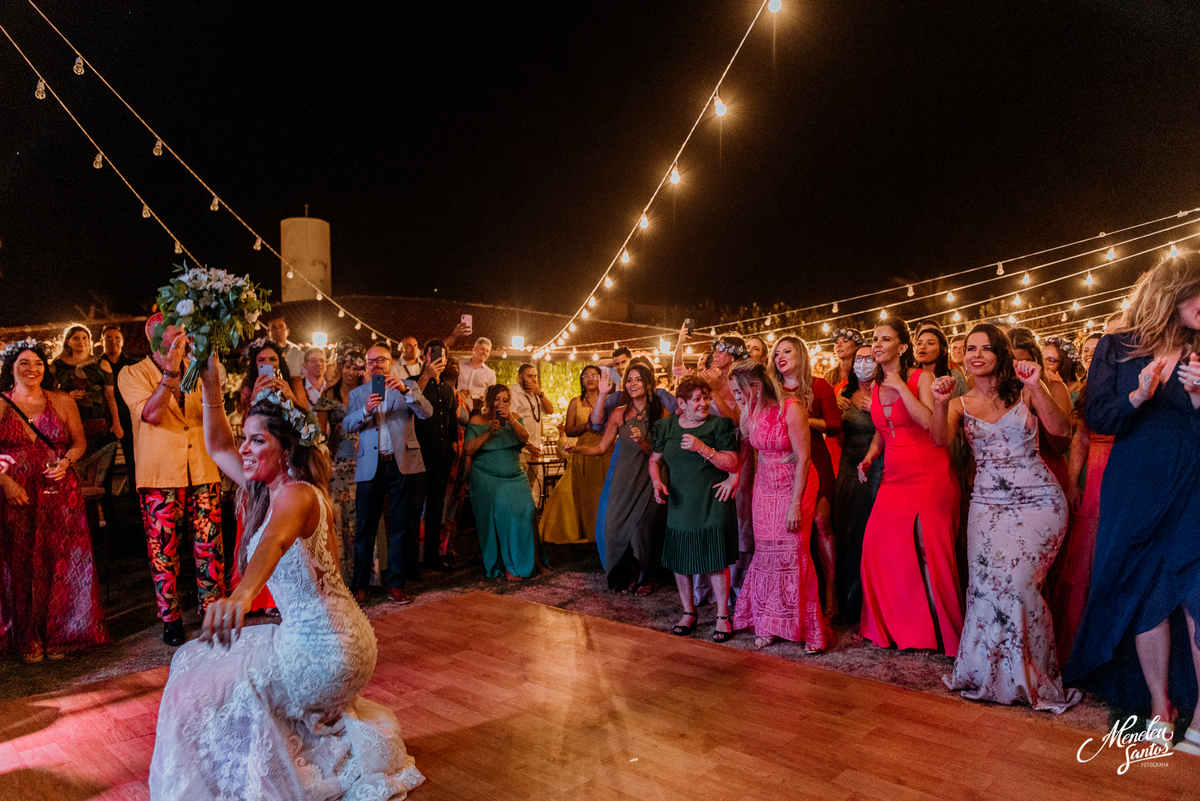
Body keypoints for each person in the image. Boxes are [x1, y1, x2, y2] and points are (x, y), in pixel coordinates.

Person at [148, 358, 425, 799]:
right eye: (247, 438)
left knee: (207, 684)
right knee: (194, 662)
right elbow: (218, 447)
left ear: (287, 447)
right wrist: (213, 387)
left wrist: (240, 596)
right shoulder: (270, 485)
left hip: (327, 650)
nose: (244, 449)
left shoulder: (296, 494)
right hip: (317, 637)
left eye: (257, 440)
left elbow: (273, 543)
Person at [1067, 252, 1200, 755]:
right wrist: (1137, 399)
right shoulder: (1118, 347)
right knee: (1142, 594)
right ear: (1174, 291)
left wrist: (1198, 404)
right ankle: (1159, 707)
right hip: (1136, 483)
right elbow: (1098, 416)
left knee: (1197, 595)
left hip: (1192, 480)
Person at [930, 324, 1081, 712]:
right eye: (970, 349)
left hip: (1039, 502)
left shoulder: (1025, 394)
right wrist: (940, 403)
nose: (975, 355)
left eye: (985, 348)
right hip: (986, 505)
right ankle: (987, 675)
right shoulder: (961, 405)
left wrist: (1037, 386)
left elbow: (1062, 432)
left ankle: (1032, 677)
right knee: (984, 589)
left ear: (1001, 354)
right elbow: (939, 441)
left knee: (1018, 584)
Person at [857, 319, 963, 656]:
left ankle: (937, 631)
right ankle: (897, 625)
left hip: (928, 471)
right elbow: (884, 428)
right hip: (894, 475)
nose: (876, 345)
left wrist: (902, 386)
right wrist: (871, 455)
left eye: (884, 339)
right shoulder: (873, 387)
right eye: (874, 339)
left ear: (902, 347)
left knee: (927, 550)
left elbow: (928, 422)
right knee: (875, 546)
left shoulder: (921, 378)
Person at [119, 314, 226, 646]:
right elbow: (151, 414)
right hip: (159, 473)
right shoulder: (132, 373)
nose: (183, 338)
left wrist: (207, 366)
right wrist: (170, 372)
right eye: (175, 335)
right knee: (163, 550)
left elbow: (216, 404)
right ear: (155, 340)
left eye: (185, 333)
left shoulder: (199, 366)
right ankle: (171, 617)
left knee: (210, 546)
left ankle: (213, 612)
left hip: (202, 466)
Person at [0, 339, 107, 661]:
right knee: (19, 564)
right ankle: (27, 638)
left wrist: (67, 462)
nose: (32, 369)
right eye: (24, 364)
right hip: (16, 492)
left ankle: (62, 633)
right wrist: (4, 482)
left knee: (61, 561)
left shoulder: (60, 400)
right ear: (12, 369)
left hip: (59, 491)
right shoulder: (2, 403)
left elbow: (79, 442)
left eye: (37, 364)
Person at [729, 360, 832, 652]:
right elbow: (747, 452)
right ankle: (767, 623)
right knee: (766, 554)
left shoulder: (792, 408)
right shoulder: (751, 410)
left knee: (793, 551)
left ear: (756, 386)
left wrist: (795, 505)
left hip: (795, 484)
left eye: (739, 390)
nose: (736, 397)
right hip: (765, 484)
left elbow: (804, 459)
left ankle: (806, 628)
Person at [649, 376, 740, 642]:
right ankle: (689, 612)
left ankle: (723, 615)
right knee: (680, 559)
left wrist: (703, 449)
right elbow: (654, 460)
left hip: (712, 500)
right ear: (682, 402)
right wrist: (656, 482)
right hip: (679, 500)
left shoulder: (718, 424)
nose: (703, 404)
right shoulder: (665, 427)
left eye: (706, 398)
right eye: (697, 399)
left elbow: (732, 463)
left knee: (715, 558)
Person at [342, 344, 432, 606]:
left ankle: (396, 584)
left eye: (380, 360)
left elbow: (426, 412)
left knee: (400, 526)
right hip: (370, 467)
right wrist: (366, 410)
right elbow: (347, 424)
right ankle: (360, 585)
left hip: (400, 463)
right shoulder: (358, 393)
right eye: (370, 362)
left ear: (391, 362)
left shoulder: (408, 386)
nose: (375, 365)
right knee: (365, 528)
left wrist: (405, 391)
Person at [565, 363, 667, 593]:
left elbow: (661, 455)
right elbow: (601, 447)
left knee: (643, 531)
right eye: (629, 380)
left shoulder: (661, 413)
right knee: (613, 528)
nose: (632, 384)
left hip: (650, 478)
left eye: (638, 379)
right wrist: (576, 450)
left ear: (649, 383)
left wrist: (641, 442)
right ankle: (625, 575)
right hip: (623, 479)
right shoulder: (619, 413)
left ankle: (646, 578)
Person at [772, 335, 840, 618]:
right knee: (790, 533)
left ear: (800, 354)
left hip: (816, 458)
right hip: (782, 464)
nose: (781, 357)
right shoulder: (771, 389)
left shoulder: (818, 384)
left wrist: (800, 419)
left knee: (822, 523)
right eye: (776, 354)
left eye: (787, 351)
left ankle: (832, 591)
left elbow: (835, 425)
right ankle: (795, 595)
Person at [464, 384, 549, 580]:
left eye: (505, 400)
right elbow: (468, 450)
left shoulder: (515, 419)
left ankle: (535, 561)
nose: (501, 403)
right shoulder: (477, 420)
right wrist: (489, 432)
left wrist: (511, 419)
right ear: (489, 401)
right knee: (505, 511)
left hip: (515, 476)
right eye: (497, 399)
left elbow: (525, 437)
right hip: (487, 478)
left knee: (528, 510)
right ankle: (509, 564)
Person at [832, 344, 883, 614]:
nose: (863, 363)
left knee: (869, 532)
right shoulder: (843, 392)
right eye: (859, 359)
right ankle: (846, 600)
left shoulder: (886, 391)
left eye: (869, 358)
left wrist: (877, 409)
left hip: (876, 466)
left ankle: (868, 602)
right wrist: (835, 408)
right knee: (846, 531)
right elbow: (832, 431)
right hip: (848, 466)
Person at [540, 365, 609, 544]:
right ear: (582, 380)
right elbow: (569, 430)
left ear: (601, 379)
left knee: (606, 496)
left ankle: (607, 535)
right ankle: (591, 537)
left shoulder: (609, 400)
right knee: (588, 498)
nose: (590, 378)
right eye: (586, 376)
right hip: (584, 453)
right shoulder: (575, 402)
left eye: (594, 375)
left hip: (606, 450)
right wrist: (585, 427)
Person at [314, 349, 366, 583]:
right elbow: (317, 433)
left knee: (362, 517)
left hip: (364, 460)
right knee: (339, 517)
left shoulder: (367, 393)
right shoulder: (328, 394)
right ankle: (341, 575)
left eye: (356, 367)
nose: (351, 372)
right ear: (339, 367)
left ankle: (364, 575)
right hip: (337, 463)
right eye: (348, 366)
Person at [412, 339, 458, 571]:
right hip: (420, 456)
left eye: (442, 356)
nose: (439, 360)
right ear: (424, 358)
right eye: (433, 355)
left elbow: (450, 420)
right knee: (415, 507)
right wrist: (426, 376)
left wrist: (453, 445)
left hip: (442, 456)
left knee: (436, 508)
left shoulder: (448, 388)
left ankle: (431, 557)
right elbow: (409, 400)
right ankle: (412, 561)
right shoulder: (414, 382)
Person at [52, 324, 122, 457]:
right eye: (76, 338)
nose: (81, 341)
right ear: (68, 342)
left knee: (100, 467)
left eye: (84, 338)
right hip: (68, 421)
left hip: (98, 420)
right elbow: (50, 392)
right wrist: (66, 396)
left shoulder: (101, 364)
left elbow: (110, 396)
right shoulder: (57, 365)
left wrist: (116, 423)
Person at [510, 362, 554, 500]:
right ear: (520, 377)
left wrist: (540, 393)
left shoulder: (536, 395)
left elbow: (550, 410)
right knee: (518, 487)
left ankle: (528, 517)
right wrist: (527, 444)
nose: (534, 379)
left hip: (535, 448)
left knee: (531, 486)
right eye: (530, 376)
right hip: (521, 450)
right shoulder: (513, 393)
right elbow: (512, 422)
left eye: (535, 376)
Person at [99, 323, 138, 476]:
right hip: (105, 418)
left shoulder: (134, 365)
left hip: (130, 417)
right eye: (108, 338)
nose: (112, 341)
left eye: (116, 338)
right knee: (104, 466)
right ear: (101, 341)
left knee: (134, 462)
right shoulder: (95, 365)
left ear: (122, 341)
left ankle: (138, 499)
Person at [239, 339, 308, 416]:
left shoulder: (295, 383)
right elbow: (246, 421)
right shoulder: (248, 386)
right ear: (255, 365)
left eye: (273, 359)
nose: (267, 363)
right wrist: (254, 397)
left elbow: (307, 417)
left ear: (280, 362)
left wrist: (289, 395)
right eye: (261, 360)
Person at [457, 336, 496, 411]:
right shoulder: (460, 366)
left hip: (477, 412)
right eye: (482, 349)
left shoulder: (490, 374)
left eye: (487, 351)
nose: (485, 353)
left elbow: (490, 397)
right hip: (458, 409)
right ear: (474, 349)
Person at [1042, 336, 1083, 402]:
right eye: (1042, 360)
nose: (1044, 366)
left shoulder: (1080, 394)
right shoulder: (1046, 388)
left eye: (1050, 360)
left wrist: (1060, 389)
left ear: (1066, 364)